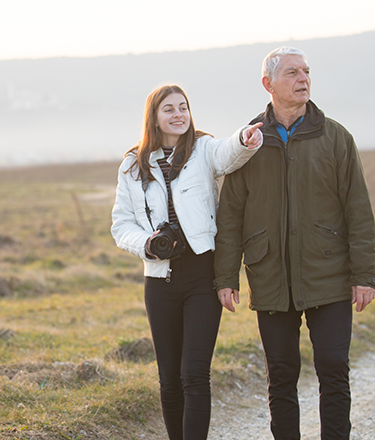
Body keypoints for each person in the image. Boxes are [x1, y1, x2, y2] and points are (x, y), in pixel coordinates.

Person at [214, 47, 375, 440]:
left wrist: (365, 275)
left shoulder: (336, 137)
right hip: (270, 276)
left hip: (329, 274)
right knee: (281, 374)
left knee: (334, 367)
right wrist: (226, 277)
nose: (303, 79)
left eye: (306, 71)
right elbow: (231, 215)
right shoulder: (249, 141)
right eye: (292, 73)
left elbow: (358, 210)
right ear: (268, 83)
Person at [111, 84, 263, 440]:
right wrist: (148, 244)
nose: (179, 114)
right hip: (159, 279)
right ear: (154, 117)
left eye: (183, 107)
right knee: (169, 379)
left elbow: (228, 153)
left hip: (201, 276)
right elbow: (121, 224)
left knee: (194, 373)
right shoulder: (132, 164)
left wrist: (245, 138)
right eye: (169, 109)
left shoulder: (203, 148)